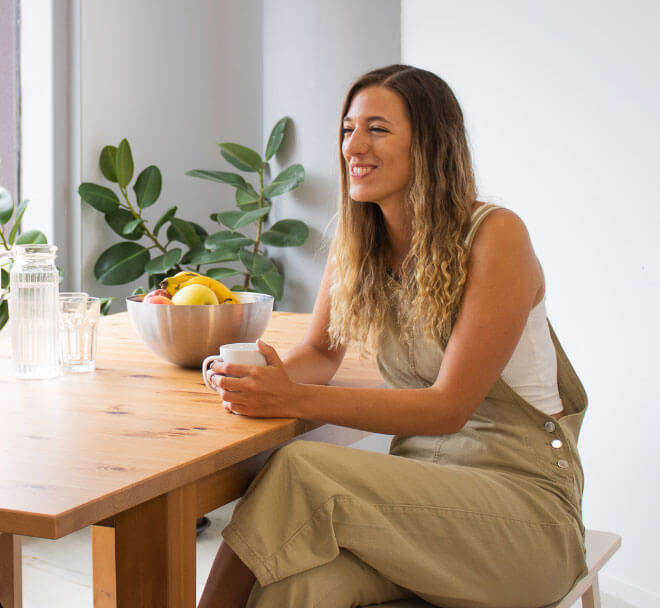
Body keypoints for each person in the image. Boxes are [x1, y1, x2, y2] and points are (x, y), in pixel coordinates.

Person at [198, 64, 588, 608]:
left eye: (377, 129)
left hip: (523, 517)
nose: (353, 146)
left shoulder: (495, 235)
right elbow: (318, 351)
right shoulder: (360, 244)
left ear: (430, 145)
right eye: (347, 129)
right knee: (296, 584)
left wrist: (292, 397)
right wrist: (263, 377)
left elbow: (448, 408)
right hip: (420, 505)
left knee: (299, 469)